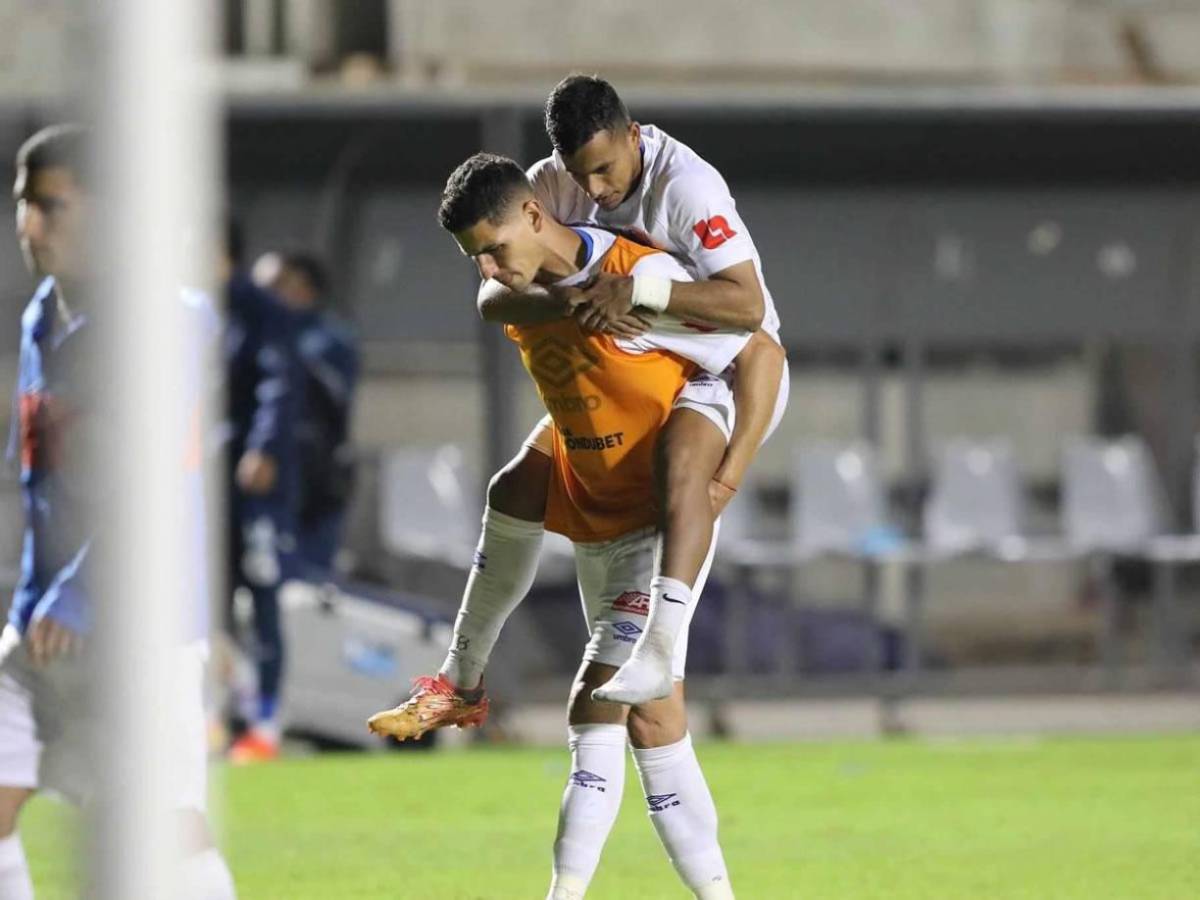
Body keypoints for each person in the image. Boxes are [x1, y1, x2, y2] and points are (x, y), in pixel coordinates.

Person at [372, 153, 782, 900]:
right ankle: (460, 683)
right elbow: (501, 304)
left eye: (494, 248)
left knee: (598, 700)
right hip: (590, 504)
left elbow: (759, 351)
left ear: (534, 214)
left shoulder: (639, 279)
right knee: (654, 724)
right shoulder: (520, 293)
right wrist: (544, 296)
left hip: (651, 527)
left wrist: (725, 477)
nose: (490, 268)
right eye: (476, 259)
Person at [400, 74, 790, 716]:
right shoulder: (548, 184)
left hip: (722, 364)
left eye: (607, 171)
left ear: (634, 136)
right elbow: (493, 295)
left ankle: (657, 647)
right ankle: (460, 679)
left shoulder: (686, 187)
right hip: (628, 368)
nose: (597, 192)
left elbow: (750, 316)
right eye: (583, 177)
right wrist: (568, 298)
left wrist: (639, 294)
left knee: (684, 474)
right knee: (516, 488)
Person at [0, 124, 236, 898]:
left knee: (164, 834)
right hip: (46, 622)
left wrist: (75, 592)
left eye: (49, 204)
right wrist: (38, 596)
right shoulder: (44, 318)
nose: (29, 224)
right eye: (22, 204)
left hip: (143, 625)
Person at [222, 229, 299, 764]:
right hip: (199, 485)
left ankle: (265, 722)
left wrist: (263, 448)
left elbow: (280, 381)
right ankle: (216, 718)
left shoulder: (258, 309)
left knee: (262, 596)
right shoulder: (181, 309)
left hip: (251, 490)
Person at [251, 250, 358, 574]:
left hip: (315, 480)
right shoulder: (255, 337)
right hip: (266, 479)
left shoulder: (328, 341)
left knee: (308, 580)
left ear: (305, 289)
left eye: (276, 287)